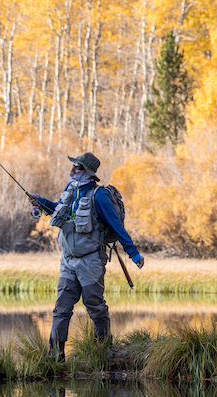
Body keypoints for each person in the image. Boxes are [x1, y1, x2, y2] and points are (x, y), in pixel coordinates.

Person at [28, 152, 144, 362]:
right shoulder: (70, 189)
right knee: (61, 306)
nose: (72, 169)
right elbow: (58, 210)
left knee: (94, 304)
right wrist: (41, 202)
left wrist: (133, 253)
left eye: (77, 167)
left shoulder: (99, 195)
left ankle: (104, 350)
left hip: (91, 259)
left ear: (88, 172)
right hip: (68, 260)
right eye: (73, 166)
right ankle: (55, 355)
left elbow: (116, 225)